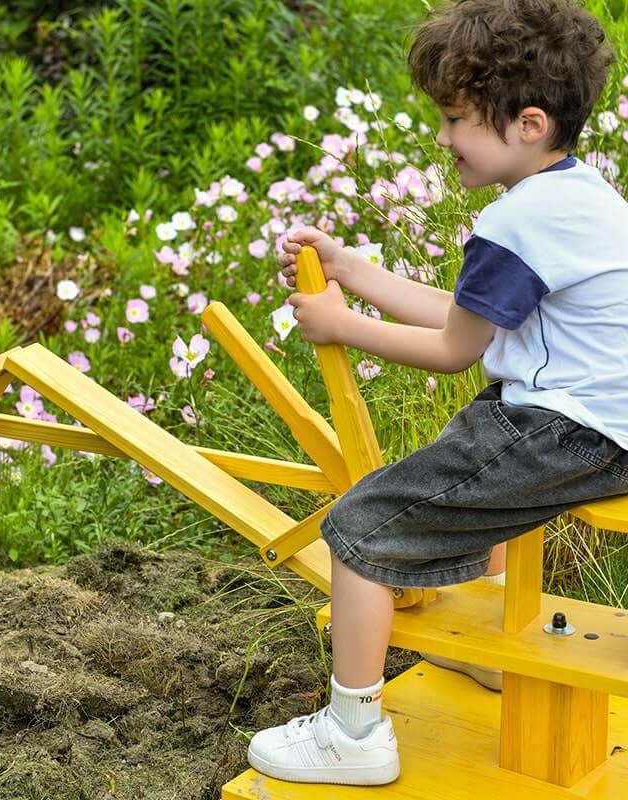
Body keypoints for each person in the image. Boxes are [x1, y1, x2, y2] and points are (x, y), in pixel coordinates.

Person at [247, 0, 628, 786]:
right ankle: (492, 654)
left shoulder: (518, 224)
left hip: (570, 429)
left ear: (526, 123)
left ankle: (353, 732)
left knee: (360, 530)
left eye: (455, 118)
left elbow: (454, 350)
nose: (444, 138)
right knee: (482, 435)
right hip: (603, 423)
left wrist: (340, 325)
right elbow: (471, 322)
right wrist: (353, 270)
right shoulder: (579, 197)